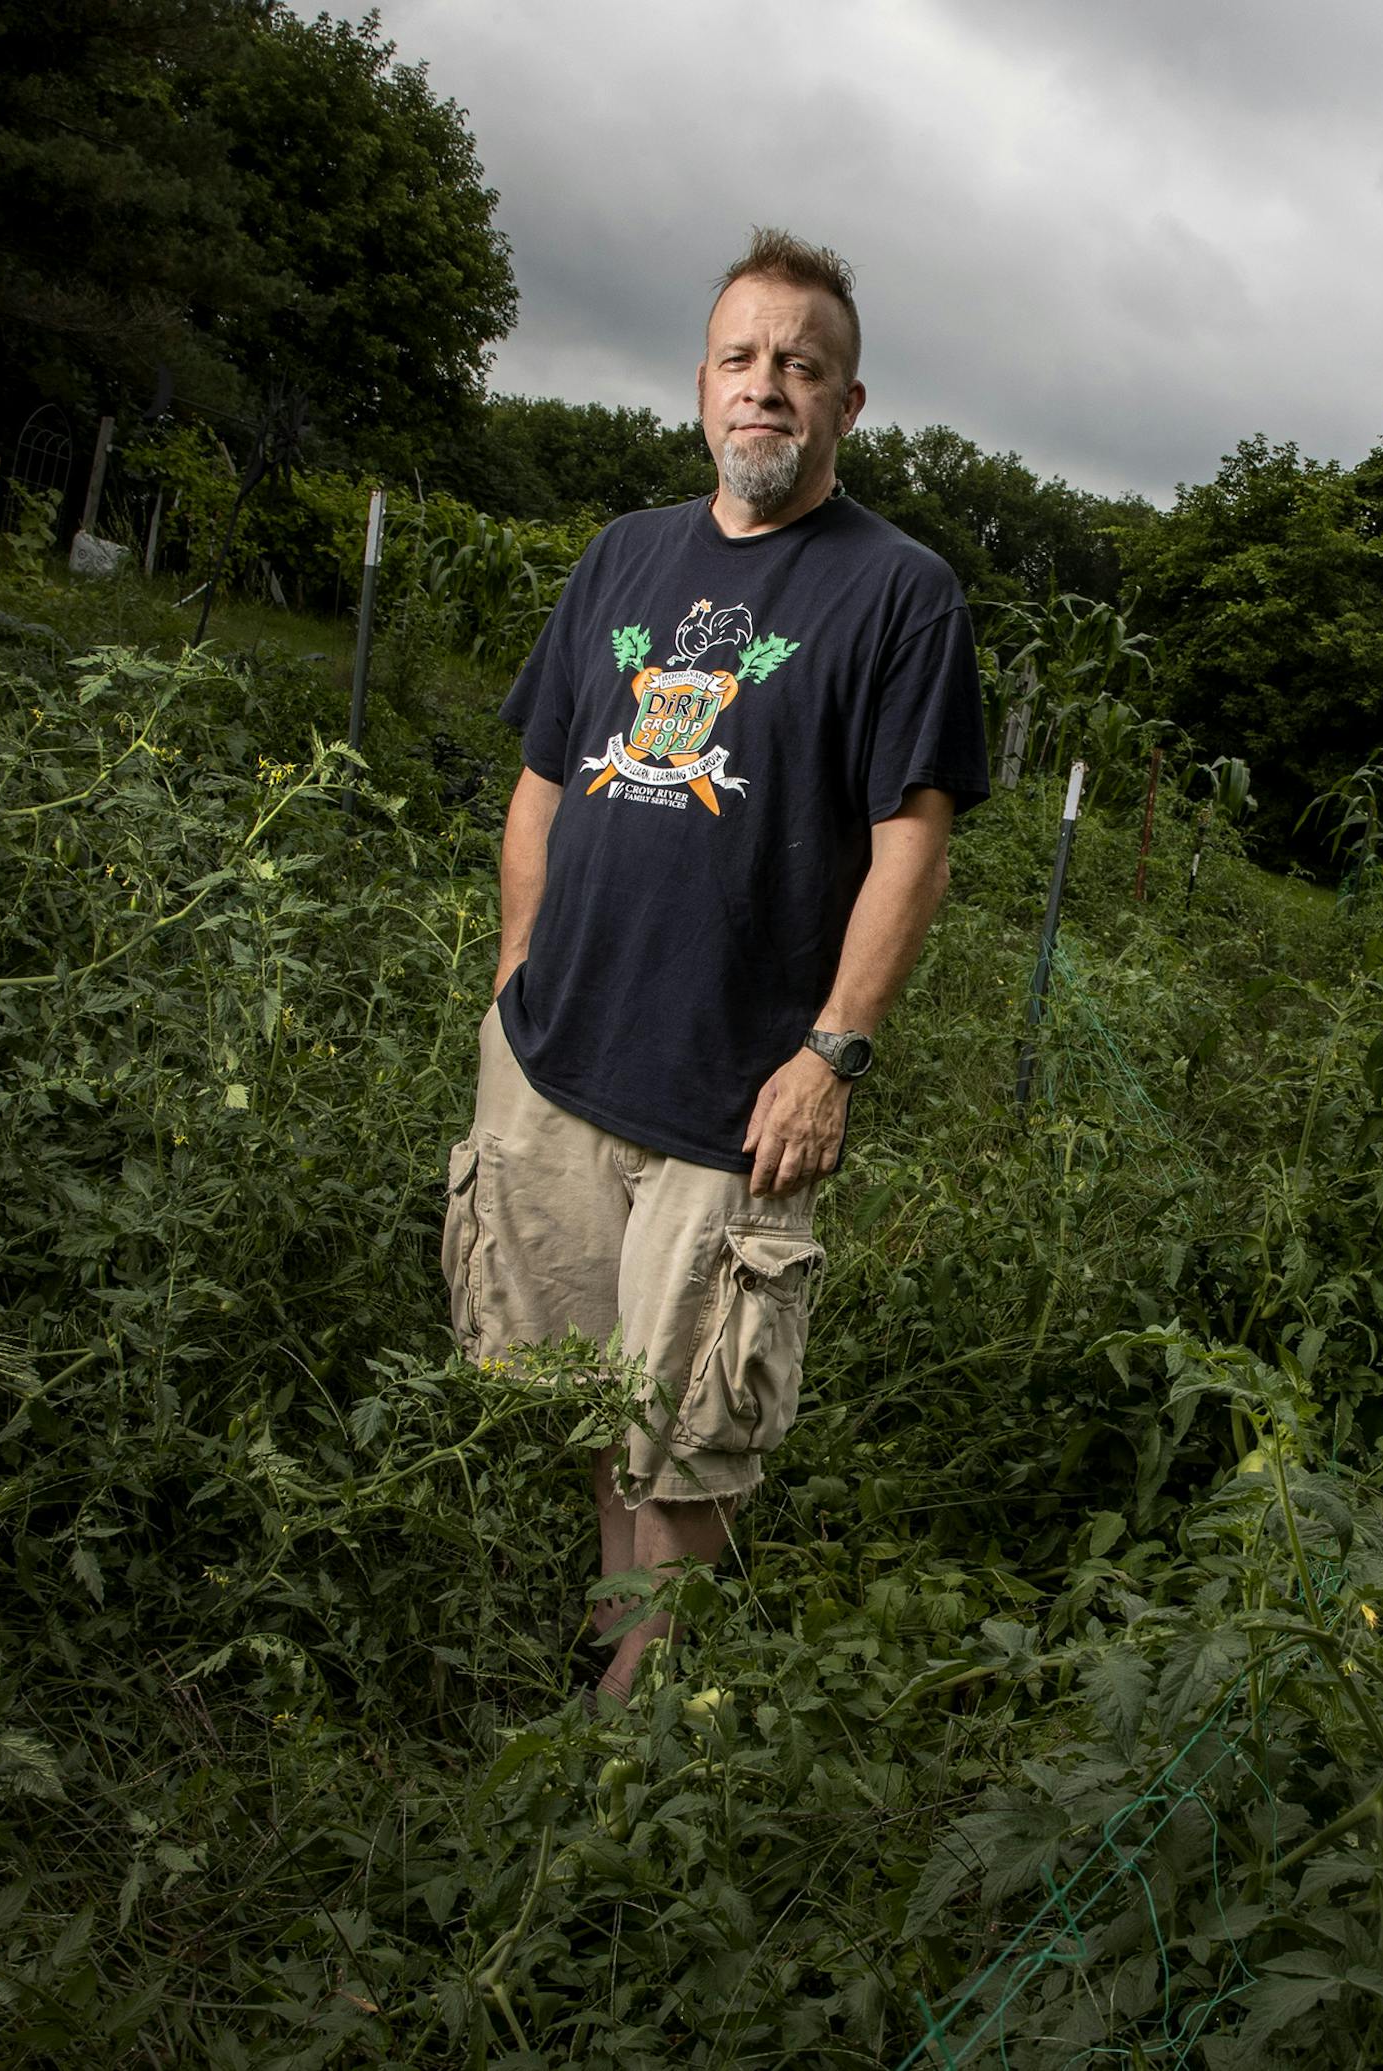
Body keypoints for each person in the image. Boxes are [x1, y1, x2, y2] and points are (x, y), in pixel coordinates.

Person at [441, 228, 989, 1707]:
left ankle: (625, 1742)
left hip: (732, 1095)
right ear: (701, 387)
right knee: (569, 1394)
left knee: (688, 1429)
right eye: (743, 361)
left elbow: (912, 847)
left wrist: (833, 1054)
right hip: (556, 1060)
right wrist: (512, 979)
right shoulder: (625, 554)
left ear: (848, 404)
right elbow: (544, 786)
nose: (769, 389)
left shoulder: (899, 594)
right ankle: (607, 1638)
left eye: (802, 367)